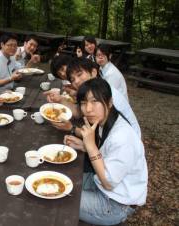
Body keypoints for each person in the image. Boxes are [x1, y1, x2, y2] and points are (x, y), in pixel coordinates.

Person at [64, 78, 147, 225]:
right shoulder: (106, 120)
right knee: (65, 179)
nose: (88, 109)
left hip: (115, 204)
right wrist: (84, 146)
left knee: (61, 197)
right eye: (83, 103)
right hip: (102, 186)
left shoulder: (122, 136)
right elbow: (107, 154)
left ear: (109, 102)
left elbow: (108, 183)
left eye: (94, 101)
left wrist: (91, 146)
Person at [44, 58, 141, 138]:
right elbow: (79, 112)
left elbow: (99, 138)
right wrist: (60, 99)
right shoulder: (93, 90)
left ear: (94, 72)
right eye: (72, 79)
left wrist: (72, 128)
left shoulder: (105, 94)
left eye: (79, 74)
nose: (77, 81)